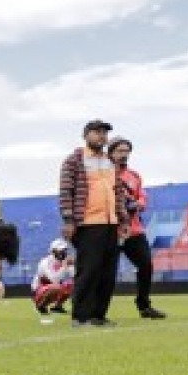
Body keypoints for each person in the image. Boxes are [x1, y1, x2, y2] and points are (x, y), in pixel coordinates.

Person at [59, 119, 129, 328]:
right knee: (89, 270)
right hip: (88, 223)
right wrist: (69, 220)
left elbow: (118, 193)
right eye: (97, 132)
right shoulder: (73, 161)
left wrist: (123, 219)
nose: (102, 136)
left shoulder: (110, 162)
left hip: (111, 223)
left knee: (108, 272)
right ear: (86, 135)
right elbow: (65, 192)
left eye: (104, 133)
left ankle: (98, 315)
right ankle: (80, 316)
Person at [108, 136, 166, 320]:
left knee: (146, 265)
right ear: (110, 152)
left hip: (133, 230)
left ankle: (144, 305)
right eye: (120, 151)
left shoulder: (134, 176)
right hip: (110, 230)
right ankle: (95, 310)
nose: (124, 155)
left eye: (127, 151)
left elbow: (142, 197)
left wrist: (137, 204)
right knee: (106, 271)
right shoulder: (102, 175)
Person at [32, 239, 75, 315]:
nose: (63, 253)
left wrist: (73, 266)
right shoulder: (45, 262)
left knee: (72, 284)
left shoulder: (64, 261)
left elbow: (75, 276)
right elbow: (54, 280)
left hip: (54, 289)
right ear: (54, 251)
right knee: (56, 287)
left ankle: (57, 307)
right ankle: (41, 306)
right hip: (39, 291)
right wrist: (64, 266)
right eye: (61, 250)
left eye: (64, 250)